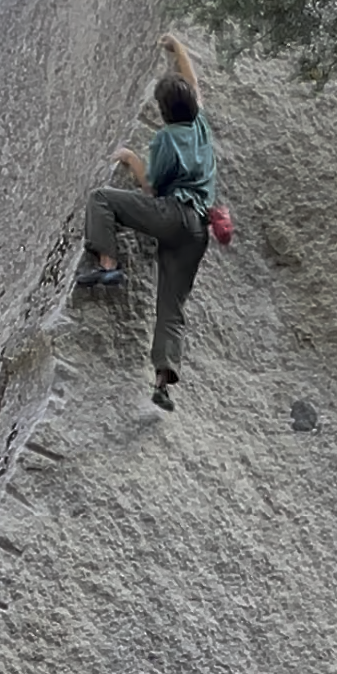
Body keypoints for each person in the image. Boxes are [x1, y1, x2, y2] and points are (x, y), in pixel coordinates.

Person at [77, 34, 218, 410]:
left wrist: (130, 158)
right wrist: (178, 48)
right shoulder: (201, 126)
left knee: (103, 199)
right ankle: (162, 381)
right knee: (171, 306)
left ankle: (108, 264)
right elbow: (194, 82)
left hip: (171, 215)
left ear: (163, 112)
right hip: (198, 232)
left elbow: (150, 189)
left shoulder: (165, 140)